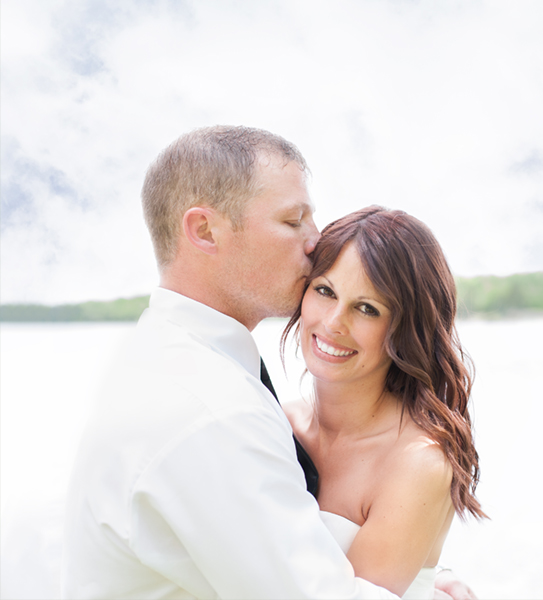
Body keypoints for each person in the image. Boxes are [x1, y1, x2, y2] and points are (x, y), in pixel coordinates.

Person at [61, 126, 475, 599]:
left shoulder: (168, 357)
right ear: (205, 231)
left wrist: (423, 573)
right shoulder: (220, 413)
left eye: (367, 307)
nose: (314, 241)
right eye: (292, 220)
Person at [279, 207, 487, 599]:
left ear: (406, 330)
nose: (333, 322)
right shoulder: (276, 421)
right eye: (325, 290)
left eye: (367, 308)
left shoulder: (417, 461)